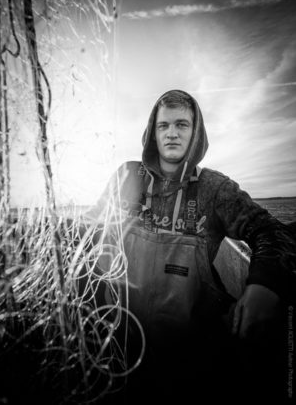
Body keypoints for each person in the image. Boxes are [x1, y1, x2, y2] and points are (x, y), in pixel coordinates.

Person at [79, 89, 296, 404]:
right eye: (163, 125)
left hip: (190, 359)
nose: (171, 133)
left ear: (197, 133)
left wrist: (265, 284)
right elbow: (90, 227)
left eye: (182, 125)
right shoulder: (126, 176)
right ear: (152, 133)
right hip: (119, 348)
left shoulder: (215, 188)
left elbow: (271, 231)